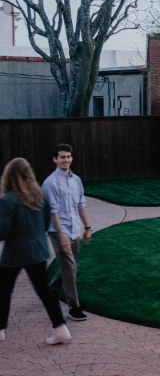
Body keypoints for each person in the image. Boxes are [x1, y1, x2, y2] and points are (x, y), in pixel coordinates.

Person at [0, 158, 71, 345]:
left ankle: (0, 329)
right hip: (38, 251)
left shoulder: (7, 200)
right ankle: (61, 329)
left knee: (3, 290)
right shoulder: (42, 195)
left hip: (14, 254)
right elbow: (45, 223)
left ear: (9, 177)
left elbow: (3, 232)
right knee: (44, 290)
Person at [42, 143, 92, 322]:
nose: (66, 160)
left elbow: (81, 204)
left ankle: (51, 289)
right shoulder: (50, 182)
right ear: (55, 159)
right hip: (58, 232)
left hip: (74, 230)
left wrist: (87, 227)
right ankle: (74, 307)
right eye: (62, 157)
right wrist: (62, 237)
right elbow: (52, 212)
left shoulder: (76, 180)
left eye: (69, 156)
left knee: (71, 267)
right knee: (69, 269)